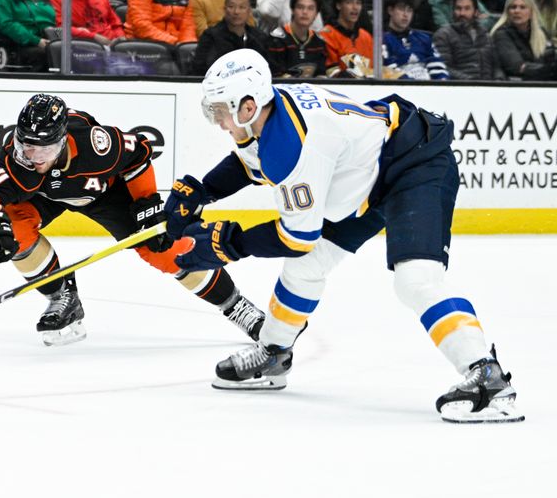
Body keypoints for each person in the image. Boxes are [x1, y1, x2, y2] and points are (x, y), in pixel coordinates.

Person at [163, 48, 524, 423]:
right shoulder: (272, 113)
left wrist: (228, 244)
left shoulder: (292, 145)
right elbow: (249, 162)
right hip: (371, 171)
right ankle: (273, 354)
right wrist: (202, 191)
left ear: (247, 106)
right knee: (306, 266)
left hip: (415, 164)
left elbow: (297, 235)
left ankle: (488, 379)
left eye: (221, 111)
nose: (219, 122)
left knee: (415, 280)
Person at [0, 94, 265, 347]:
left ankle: (235, 305)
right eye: (27, 146)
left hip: (105, 194)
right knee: (14, 227)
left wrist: (146, 206)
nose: (35, 157)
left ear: (62, 140)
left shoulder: (96, 145)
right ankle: (63, 297)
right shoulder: (20, 159)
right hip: (46, 195)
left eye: (44, 149)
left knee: (166, 250)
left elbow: (140, 154)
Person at [192, 0, 273, 75]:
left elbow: (269, 67)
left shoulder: (259, 36)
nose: (236, 12)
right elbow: (199, 68)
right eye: (231, 7)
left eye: (242, 7)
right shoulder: (211, 36)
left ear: (249, 11)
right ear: (224, 9)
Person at [382, 0, 449, 79]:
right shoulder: (383, 40)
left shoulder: (424, 38)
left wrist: (440, 84)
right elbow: (389, 70)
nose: (406, 15)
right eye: (401, 9)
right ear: (390, 10)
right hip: (402, 90)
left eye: (409, 10)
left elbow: (438, 66)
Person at [490, 0, 557, 79]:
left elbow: (550, 59)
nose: (517, 11)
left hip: (543, 83)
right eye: (513, 7)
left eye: (522, 7)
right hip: (517, 85)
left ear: (531, 12)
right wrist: (550, 69)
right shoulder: (501, 34)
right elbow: (517, 67)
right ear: (507, 12)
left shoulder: (541, 33)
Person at [432, 0, 498, 79]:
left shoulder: (485, 34)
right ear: (453, 11)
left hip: (490, 87)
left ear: (476, 12)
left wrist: (499, 80)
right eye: (458, 8)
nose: (462, 13)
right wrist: (469, 82)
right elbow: (444, 67)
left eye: (467, 8)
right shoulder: (443, 35)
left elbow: (497, 66)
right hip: (460, 87)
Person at [318, 0, 373, 77]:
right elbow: (331, 72)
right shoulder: (326, 35)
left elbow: (372, 69)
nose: (355, 7)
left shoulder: (366, 36)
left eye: (358, 3)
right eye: (349, 2)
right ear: (338, 5)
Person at [268, 0, 327, 77]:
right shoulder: (276, 39)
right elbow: (275, 74)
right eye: (300, 7)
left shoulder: (319, 42)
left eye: (310, 8)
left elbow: (321, 74)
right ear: (292, 10)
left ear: (316, 14)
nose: (305, 12)